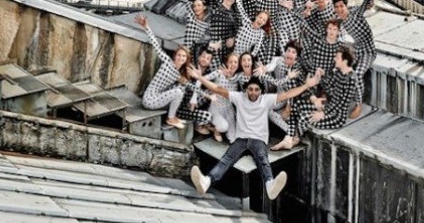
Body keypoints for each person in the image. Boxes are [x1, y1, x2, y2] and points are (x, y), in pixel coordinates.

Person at [189, 69, 322, 200]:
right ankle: (206, 181)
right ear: (246, 89)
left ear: (261, 91)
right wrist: (200, 78)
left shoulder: (266, 100)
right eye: (250, 89)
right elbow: (218, 89)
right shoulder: (239, 97)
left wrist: (306, 85)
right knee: (226, 159)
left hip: (258, 139)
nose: (253, 92)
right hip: (241, 139)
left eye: (256, 89)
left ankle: (270, 185)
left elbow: (287, 95)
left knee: (263, 160)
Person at [134, 14, 191, 129]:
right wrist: (147, 27)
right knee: (178, 91)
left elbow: (191, 86)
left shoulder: (179, 74)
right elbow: (156, 45)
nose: (181, 58)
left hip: (159, 98)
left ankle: (173, 117)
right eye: (179, 55)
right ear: (175, 56)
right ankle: (171, 119)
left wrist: (210, 96)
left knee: (182, 88)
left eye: (183, 56)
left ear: (186, 59)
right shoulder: (167, 62)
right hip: (149, 100)